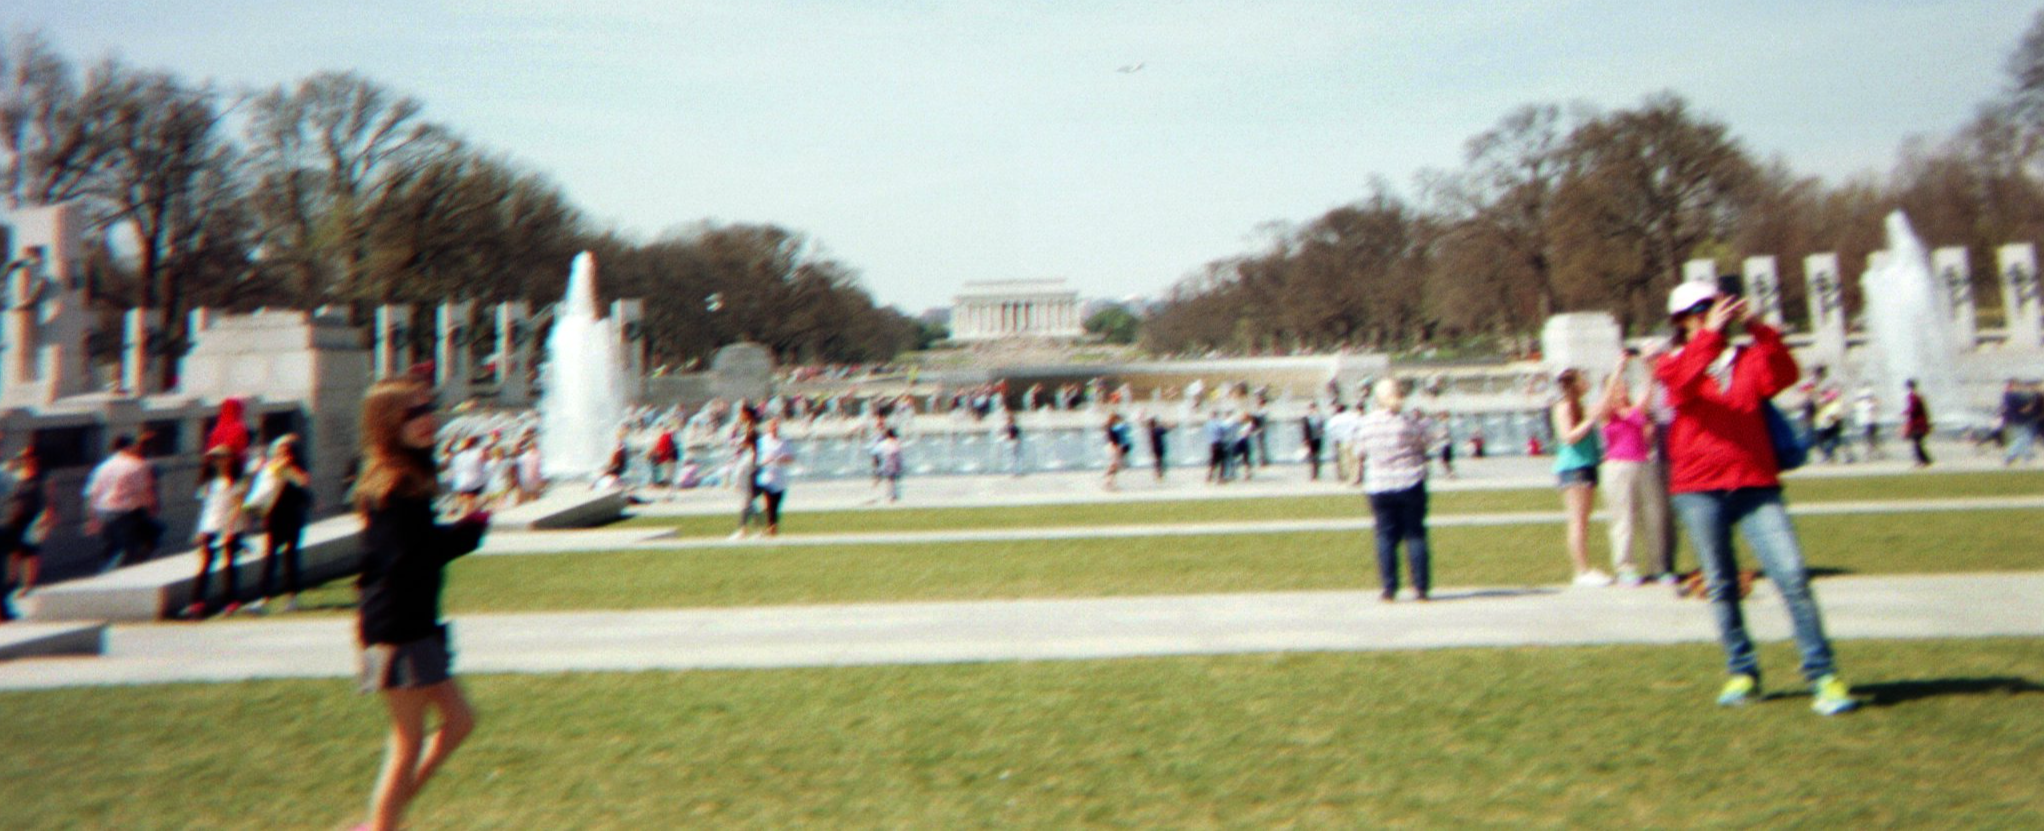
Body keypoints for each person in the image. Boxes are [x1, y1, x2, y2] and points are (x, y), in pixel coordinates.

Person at [1653, 281, 1856, 716]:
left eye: (1718, 306)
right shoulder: (1670, 361)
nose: (1715, 314)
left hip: (1754, 481)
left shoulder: (1745, 357)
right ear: (1684, 320)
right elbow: (1684, 385)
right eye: (1704, 309)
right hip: (1698, 487)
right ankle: (1742, 671)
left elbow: (1782, 376)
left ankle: (1823, 674)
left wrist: (1760, 328)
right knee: (1722, 585)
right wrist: (1709, 336)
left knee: (1793, 575)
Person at [351, 378, 490, 830]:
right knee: (407, 741)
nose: (427, 419)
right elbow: (406, 559)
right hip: (395, 628)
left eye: (428, 408)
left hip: (414, 621)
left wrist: (461, 531)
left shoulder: (409, 477)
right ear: (389, 423)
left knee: (460, 721)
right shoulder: (390, 485)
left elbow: (416, 550)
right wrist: (465, 533)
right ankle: (381, 825)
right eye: (414, 413)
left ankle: (383, 819)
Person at [1354, 379, 1432, 602]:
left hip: (1379, 485)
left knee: (1385, 536)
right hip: (1410, 481)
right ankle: (1421, 588)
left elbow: (1360, 451)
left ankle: (1389, 588)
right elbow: (1425, 443)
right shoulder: (1409, 422)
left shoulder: (1367, 423)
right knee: (1415, 534)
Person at [1598, 356, 1666, 586]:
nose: (1621, 390)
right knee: (1622, 519)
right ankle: (1625, 567)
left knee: (1652, 517)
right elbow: (1605, 400)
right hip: (1617, 467)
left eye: (1623, 386)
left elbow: (1648, 394)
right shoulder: (1608, 413)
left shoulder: (1635, 410)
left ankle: (1659, 567)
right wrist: (1617, 370)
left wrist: (1649, 370)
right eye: (1617, 387)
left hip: (1642, 464)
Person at [1551, 367, 1611, 586]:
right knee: (1577, 521)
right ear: (1575, 384)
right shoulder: (1564, 407)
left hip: (1587, 465)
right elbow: (1568, 437)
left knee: (1583, 521)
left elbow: (1604, 404)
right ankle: (1582, 570)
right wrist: (1589, 421)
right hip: (1573, 468)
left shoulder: (1582, 406)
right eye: (1583, 379)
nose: (1587, 382)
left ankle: (1585, 568)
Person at [186, 447, 250, 619]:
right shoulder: (209, 482)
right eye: (216, 458)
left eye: (223, 457)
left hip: (230, 527)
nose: (219, 461)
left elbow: (238, 506)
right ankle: (197, 603)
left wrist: (229, 528)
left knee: (229, 564)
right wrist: (200, 531)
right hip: (210, 525)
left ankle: (231, 601)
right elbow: (206, 508)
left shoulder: (237, 481)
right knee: (206, 564)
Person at [83, 434, 161, 572]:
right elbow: (146, 492)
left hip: (104, 513)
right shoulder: (138, 465)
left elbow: (91, 495)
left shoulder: (102, 468)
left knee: (111, 549)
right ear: (129, 447)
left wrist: (91, 519)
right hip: (128, 514)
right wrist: (152, 508)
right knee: (135, 547)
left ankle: (107, 574)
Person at [255, 435, 313, 613]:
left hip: (293, 518)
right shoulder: (271, 469)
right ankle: (264, 598)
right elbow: (263, 490)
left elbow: (303, 486)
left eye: (286, 451)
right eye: (279, 451)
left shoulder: (297, 471)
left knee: (291, 558)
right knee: (270, 558)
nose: (282, 455)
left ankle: (292, 598)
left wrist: (290, 470)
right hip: (275, 518)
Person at [1, 451, 52, 619]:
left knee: (29, 553)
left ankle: (25, 585)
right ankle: (7, 599)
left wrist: (46, 517)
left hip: (28, 519)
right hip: (13, 521)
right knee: (13, 556)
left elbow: (48, 500)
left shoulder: (41, 478)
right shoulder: (12, 475)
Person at [754, 418, 795, 536]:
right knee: (768, 503)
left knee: (775, 505)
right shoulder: (762, 441)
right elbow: (757, 459)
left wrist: (781, 459)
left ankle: (772, 527)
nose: (774, 429)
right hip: (766, 478)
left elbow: (790, 458)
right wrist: (765, 460)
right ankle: (769, 527)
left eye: (776, 426)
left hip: (780, 478)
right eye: (772, 426)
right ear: (768, 428)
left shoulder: (784, 442)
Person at [729, 427, 762, 539]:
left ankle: (744, 531)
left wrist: (737, 483)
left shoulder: (753, 454)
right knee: (749, 506)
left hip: (747, 483)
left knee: (747, 506)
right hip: (745, 482)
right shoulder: (752, 453)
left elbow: (746, 470)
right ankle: (754, 530)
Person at [2003, 378, 2041, 466]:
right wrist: (2031, 406)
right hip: (2019, 420)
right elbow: (2022, 409)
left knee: (2026, 438)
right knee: (2025, 438)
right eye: (2016, 385)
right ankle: (2011, 455)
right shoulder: (2011, 396)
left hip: (2017, 420)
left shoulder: (2008, 396)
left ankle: (2025, 456)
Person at [448, 436, 488, 512]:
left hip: (469, 482)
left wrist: (451, 443)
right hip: (469, 482)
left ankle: (468, 514)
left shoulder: (474, 452)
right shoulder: (460, 454)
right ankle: (468, 513)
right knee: (469, 505)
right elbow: (485, 459)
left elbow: (484, 459)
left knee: (469, 505)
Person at [1902, 379, 1932, 468]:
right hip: (1920, 423)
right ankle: (1924, 460)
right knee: (1917, 442)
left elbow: (1913, 409)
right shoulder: (1918, 396)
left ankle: (1923, 460)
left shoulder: (1912, 396)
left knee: (1916, 443)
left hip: (1917, 424)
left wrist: (1905, 412)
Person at [875, 429, 905, 503]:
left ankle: (890, 494)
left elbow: (876, 452)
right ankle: (892, 494)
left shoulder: (884, 443)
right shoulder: (897, 442)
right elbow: (899, 453)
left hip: (887, 463)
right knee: (892, 479)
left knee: (890, 479)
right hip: (893, 463)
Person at [1300, 402, 1327, 481]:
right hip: (1310, 439)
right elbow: (1304, 430)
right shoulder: (1307, 418)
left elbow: (1322, 429)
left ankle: (1316, 473)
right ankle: (1313, 474)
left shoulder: (1319, 418)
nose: (1313, 410)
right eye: (1311, 408)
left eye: (1314, 408)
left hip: (1318, 439)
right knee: (1312, 457)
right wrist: (1305, 440)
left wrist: (1321, 432)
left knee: (1317, 456)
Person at [1144, 412, 1172, 481]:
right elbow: (1167, 430)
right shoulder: (1157, 430)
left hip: (1154, 448)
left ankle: (1158, 473)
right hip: (1159, 447)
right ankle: (1159, 473)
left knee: (1157, 461)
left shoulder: (1150, 430)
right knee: (1160, 461)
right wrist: (1163, 423)